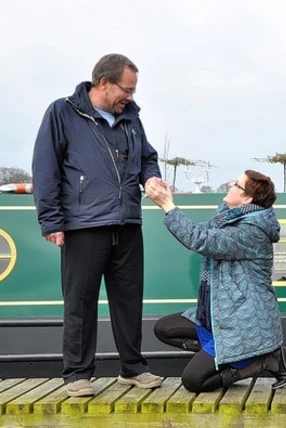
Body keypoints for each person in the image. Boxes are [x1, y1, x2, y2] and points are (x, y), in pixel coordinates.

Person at [32, 54, 163, 397]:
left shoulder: (132, 119)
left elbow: (148, 157)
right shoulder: (61, 112)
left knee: (129, 301)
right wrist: (50, 219)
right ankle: (77, 373)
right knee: (80, 302)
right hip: (83, 225)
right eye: (127, 90)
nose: (131, 97)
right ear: (104, 83)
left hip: (128, 223)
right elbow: (45, 168)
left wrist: (151, 178)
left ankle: (133, 368)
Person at [148, 170, 286, 393]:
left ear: (247, 198)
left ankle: (262, 360)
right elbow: (199, 232)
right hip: (220, 315)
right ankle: (228, 355)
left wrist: (167, 205)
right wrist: (171, 200)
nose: (229, 185)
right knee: (165, 328)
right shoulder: (228, 218)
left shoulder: (251, 231)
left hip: (242, 322)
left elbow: (200, 241)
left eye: (236, 184)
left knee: (194, 381)